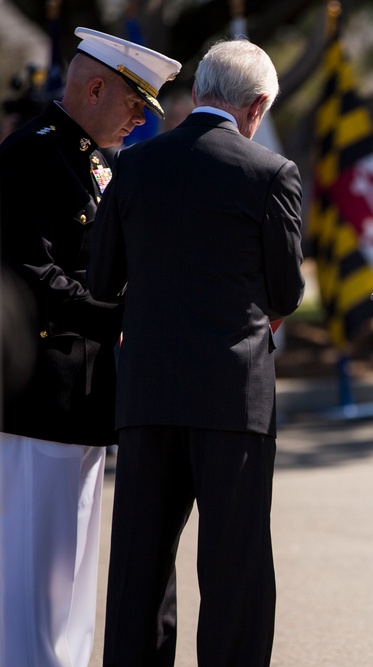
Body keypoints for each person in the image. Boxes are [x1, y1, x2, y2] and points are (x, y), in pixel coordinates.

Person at [88, 38, 304, 666]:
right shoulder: (270, 173)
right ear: (257, 106)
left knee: (139, 570)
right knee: (234, 571)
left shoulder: (134, 166)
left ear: (202, 88)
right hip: (234, 399)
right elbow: (287, 291)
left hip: (148, 392)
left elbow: (103, 282)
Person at [0, 28, 179, 667]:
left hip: (84, 393)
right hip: (38, 395)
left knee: (72, 567)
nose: (139, 120)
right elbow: (30, 274)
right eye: (135, 104)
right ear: (95, 87)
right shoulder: (28, 156)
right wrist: (122, 316)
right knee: (33, 565)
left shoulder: (92, 162)